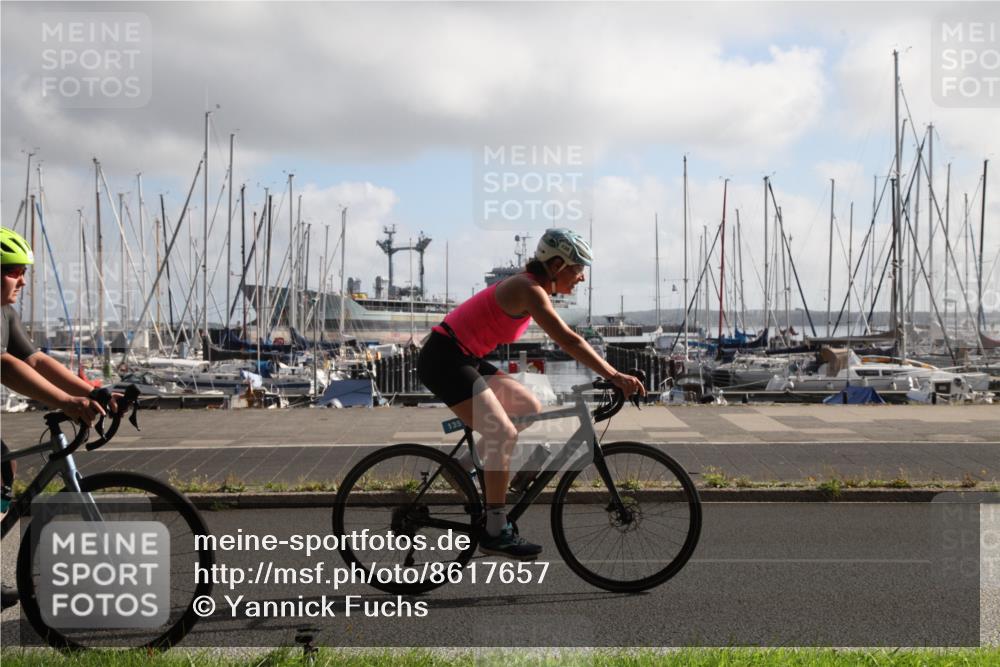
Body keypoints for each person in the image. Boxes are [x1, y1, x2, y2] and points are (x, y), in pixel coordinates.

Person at [417, 228, 645, 560]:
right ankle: (495, 530)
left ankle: (463, 467)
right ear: (556, 264)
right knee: (502, 432)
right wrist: (613, 374)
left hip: (462, 356)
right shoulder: (528, 289)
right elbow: (569, 341)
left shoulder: (532, 288)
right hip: (444, 360)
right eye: (578, 267)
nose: (581, 278)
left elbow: (569, 339)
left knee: (528, 404)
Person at [0, 227, 111, 610]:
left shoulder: (5, 314)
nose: (23, 281)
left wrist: (90, 393)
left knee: (4, 470)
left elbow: (36, 360)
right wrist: (67, 402)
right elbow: (5, 367)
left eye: (24, 271)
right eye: (13, 271)